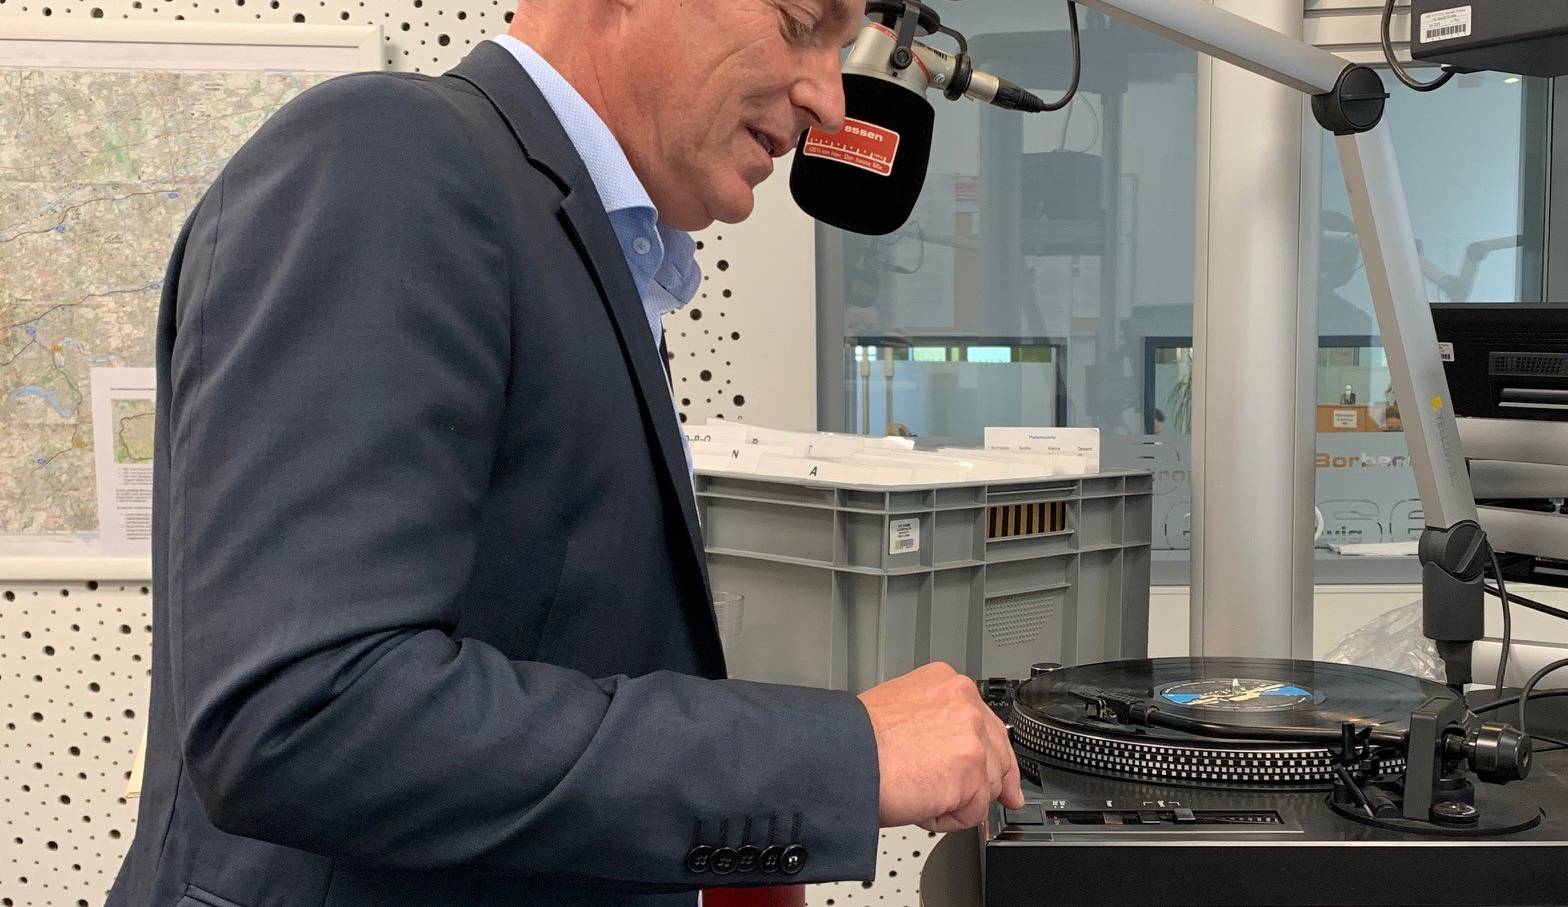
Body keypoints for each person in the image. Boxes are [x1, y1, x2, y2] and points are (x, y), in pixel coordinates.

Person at [108, 0, 1021, 904]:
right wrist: (843, 756)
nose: (831, 99)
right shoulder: (386, 156)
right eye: (798, 24)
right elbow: (309, 710)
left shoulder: (588, 252)